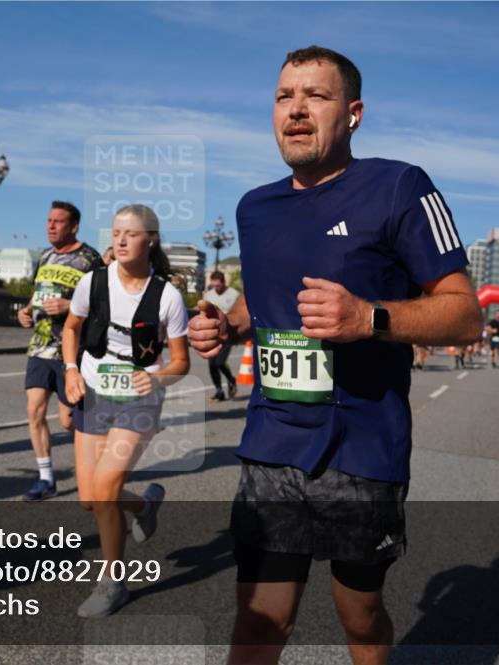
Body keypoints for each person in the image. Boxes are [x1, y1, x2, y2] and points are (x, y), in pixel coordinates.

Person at [186, 46, 481, 665]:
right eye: (283, 96)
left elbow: (464, 314)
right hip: (273, 439)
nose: (295, 109)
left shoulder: (400, 185)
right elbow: (263, 303)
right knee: (261, 622)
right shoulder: (254, 208)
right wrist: (227, 329)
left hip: (363, 446)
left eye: (315, 96)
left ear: (353, 114)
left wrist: (367, 318)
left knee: (360, 614)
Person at [62, 204, 189, 618]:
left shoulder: (167, 296)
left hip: (138, 400)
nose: (119, 239)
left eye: (130, 234)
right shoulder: (93, 282)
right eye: (116, 232)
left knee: (104, 490)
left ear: (150, 239)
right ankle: (144, 505)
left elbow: (180, 361)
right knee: (89, 498)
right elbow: (71, 329)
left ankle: (112, 583)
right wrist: (69, 371)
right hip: (93, 394)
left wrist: (157, 379)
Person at [15, 202, 102, 501]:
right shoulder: (45, 256)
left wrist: (70, 308)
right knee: (34, 411)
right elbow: (37, 295)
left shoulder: (90, 259)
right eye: (49, 220)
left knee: (68, 421)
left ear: (74, 226)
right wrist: (26, 312)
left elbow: (105, 308)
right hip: (40, 347)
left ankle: (94, 463)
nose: (51, 226)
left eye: (58, 222)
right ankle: (46, 477)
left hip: (71, 352)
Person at [203, 271, 241, 401]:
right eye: (214, 286)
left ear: (224, 283)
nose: (216, 288)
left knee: (219, 362)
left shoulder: (234, 294)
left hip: (228, 334)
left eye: (218, 286)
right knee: (211, 365)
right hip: (213, 334)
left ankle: (231, 380)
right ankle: (219, 391)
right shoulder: (208, 295)